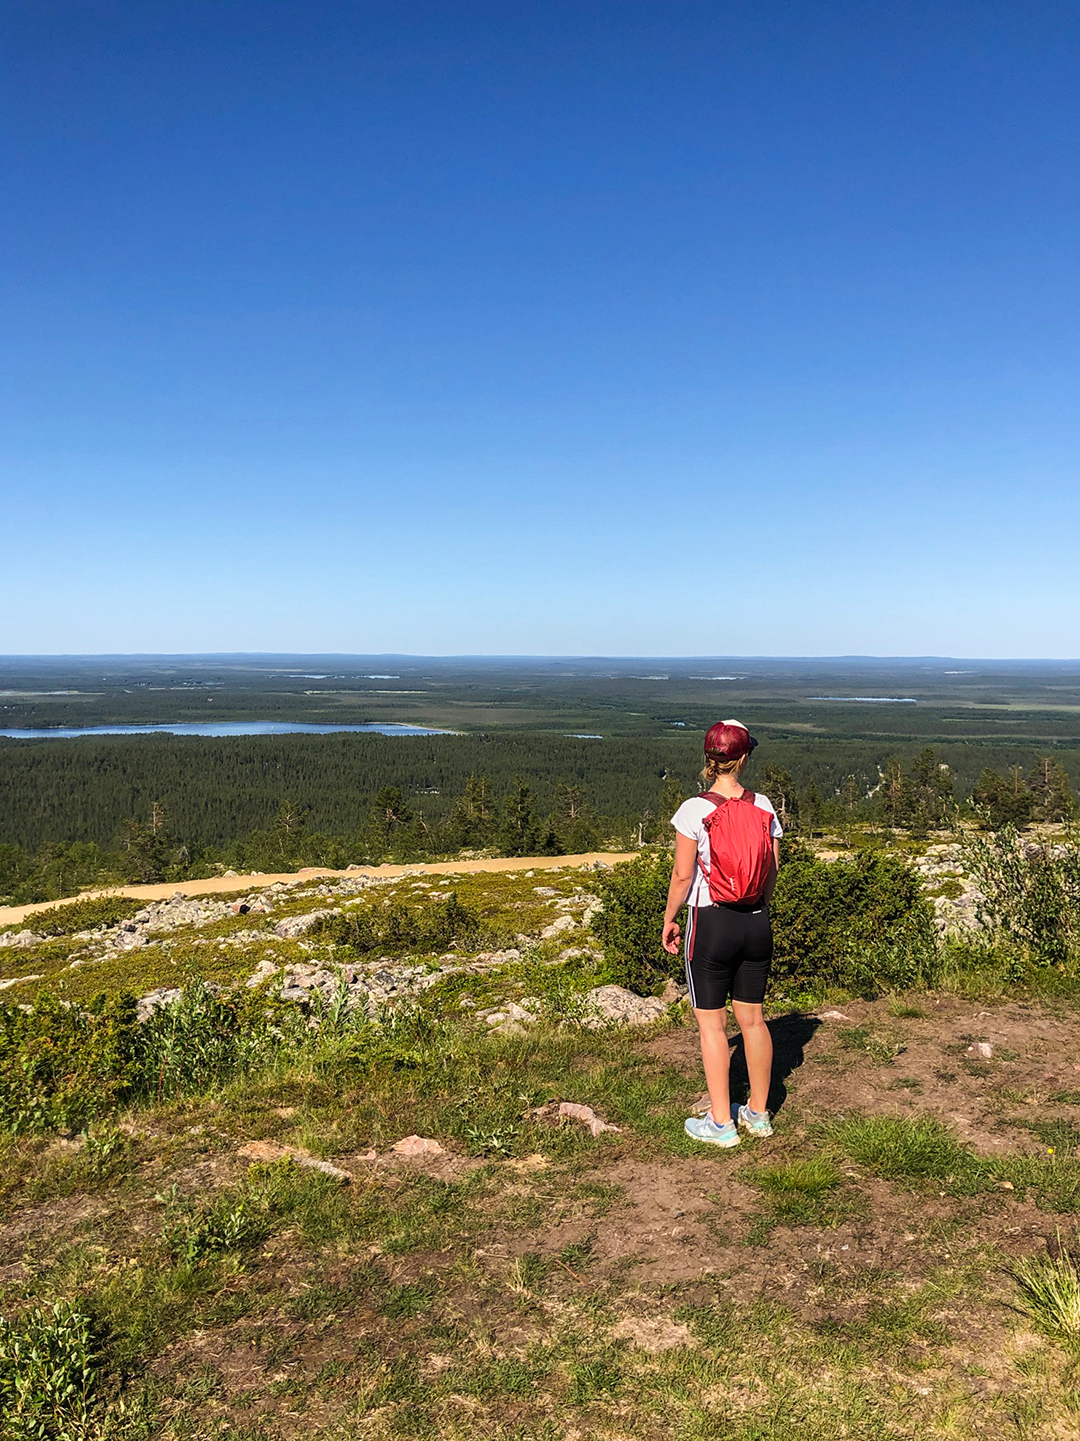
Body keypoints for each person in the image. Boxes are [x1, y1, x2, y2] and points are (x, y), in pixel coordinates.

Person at [661, 720, 782, 1148]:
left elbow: (682, 874)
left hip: (711, 924)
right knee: (753, 1021)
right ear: (744, 757)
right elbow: (771, 870)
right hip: (755, 922)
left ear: (709, 759)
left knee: (712, 1027)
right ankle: (759, 1114)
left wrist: (670, 918)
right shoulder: (764, 806)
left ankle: (720, 1122)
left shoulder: (694, 809)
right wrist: (759, 908)